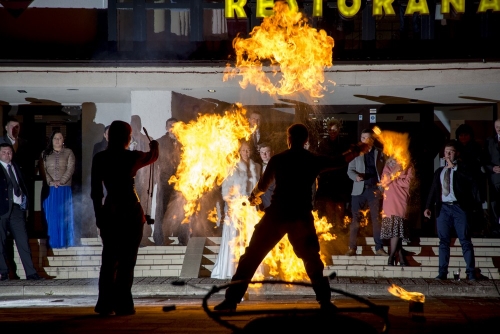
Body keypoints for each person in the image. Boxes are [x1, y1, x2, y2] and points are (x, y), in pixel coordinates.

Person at [213, 123, 367, 312]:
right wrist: (357, 150)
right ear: (305, 140)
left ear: (289, 139)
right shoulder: (312, 160)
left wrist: (254, 197)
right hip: (301, 216)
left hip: (278, 214)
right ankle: (325, 302)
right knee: (311, 259)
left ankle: (231, 301)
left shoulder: (278, 159)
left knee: (251, 256)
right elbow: (339, 161)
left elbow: (262, 185)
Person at [91, 120, 159, 315]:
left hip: (110, 212)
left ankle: (104, 304)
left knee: (109, 260)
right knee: (127, 261)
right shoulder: (131, 157)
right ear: (128, 138)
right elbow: (153, 156)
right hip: (130, 213)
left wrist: (99, 216)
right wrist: (154, 144)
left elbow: (96, 193)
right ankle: (123, 304)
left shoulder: (100, 158)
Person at [424, 140, 477, 281]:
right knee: (443, 241)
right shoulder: (439, 171)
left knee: (465, 240)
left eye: (451, 151)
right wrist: (428, 206)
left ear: (456, 153)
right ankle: (442, 272)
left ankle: (471, 272)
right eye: (446, 151)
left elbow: (470, 180)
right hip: (443, 208)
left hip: (459, 207)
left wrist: (454, 167)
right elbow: (433, 189)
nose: (447, 154)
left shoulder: (462, 169)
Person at [211, 140, 261, 279]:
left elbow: (259, 187)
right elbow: (226, 190)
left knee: (251, 238)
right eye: (244, 150)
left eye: (248, 150)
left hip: (251, 207)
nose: (246, 152)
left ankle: (252, 270)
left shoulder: (256, 167)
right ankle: (232, 269)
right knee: (235, 237)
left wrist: (256, 199)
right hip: (236, 206)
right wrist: (231, 204)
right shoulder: (231, 167)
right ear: (239, 151)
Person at [0, 143, 43, 281]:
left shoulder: (16, 166)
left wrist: (25, 199)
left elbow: (22, 184)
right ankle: (4, 272)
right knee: (0, 242)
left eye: (9, 152)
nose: (7, 154)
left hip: (17, 210)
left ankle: (31, 273)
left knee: (23, 241)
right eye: (4, 152)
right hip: (2, 210)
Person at [345, 128, 387, 256]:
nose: (364, 140)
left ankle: (379, 248)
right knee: (355, 220)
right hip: (358, 190)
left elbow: (385, 170)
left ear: (372, 140)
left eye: (367, 138)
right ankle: (352, 248)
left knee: (376, 219)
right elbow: (349, 170)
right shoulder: (356, 154)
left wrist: (382, 185)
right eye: (362, 138)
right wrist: (356, 177)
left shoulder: (379, 153)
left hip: (374, 189)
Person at [40, 130, 76, 249]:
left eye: (60, 138)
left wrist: (61, 181)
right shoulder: (45, 153)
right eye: (55, 138)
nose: (57, 140)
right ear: (51, 140)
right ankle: (52, 242)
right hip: (50, 189)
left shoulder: (69, 152)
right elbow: (43, 169)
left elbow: (70, 168)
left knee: (64, 214)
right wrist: (51, 182)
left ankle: (65, 241)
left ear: (63, 140)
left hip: (64, 188)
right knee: (51, 215)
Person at [314, 119, 352, 229]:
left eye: (335, 130)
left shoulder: (344, 143)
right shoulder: (323, 143)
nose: (332, 132)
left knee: (340, 205)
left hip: (341, 178)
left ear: (339, 130)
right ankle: (330, 229)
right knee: (329, 205)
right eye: (330, 130)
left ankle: (340, 229)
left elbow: (347, 159)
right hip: (327, 179)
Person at [379, 157, 414, 266]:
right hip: (389, 202)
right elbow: (384, 182)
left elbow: (408, 183)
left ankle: (391, 256)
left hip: (401, 201)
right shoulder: (388, 165)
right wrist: (395, 172)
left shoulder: (408, 166)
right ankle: (400, 256)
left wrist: (393, 178)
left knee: (397, 229)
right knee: (395, 231)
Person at [153, 118, 181, 246]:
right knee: (161, 210)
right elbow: (155, 163)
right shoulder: (159, 142)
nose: (173, 127)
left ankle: (182, 238)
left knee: (181, 209)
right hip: (165, 181)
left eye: (175, 125)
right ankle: (159, 238)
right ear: (166, 128)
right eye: (170, 125)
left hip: (181, 181)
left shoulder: (184, 142)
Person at [484, 119, 500, 236]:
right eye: (497, 126)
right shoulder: (490, 141)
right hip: (495, 179)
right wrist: (492, 168)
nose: (498, 128)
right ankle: (495, 229)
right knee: (494, 204)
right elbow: (484, 160)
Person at [258, 142, 274, 211]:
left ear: (272, 152)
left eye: (267, 152)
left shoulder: (278, 166)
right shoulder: (257, 167)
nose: (264, 155)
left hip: (274, 203)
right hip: (262, 204)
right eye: (262, 152)